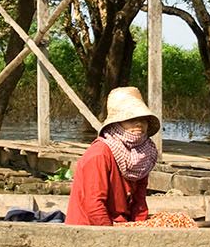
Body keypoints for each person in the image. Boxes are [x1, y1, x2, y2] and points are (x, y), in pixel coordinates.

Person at [67, 86, 159, 226]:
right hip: (90, 226)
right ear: (116, 124)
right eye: (131, 119)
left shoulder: (144, 155)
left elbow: (139, 201)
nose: (139, 124)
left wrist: (140, 226)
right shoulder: (99, 154)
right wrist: (113, 235)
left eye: (143, 120)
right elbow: (94, 205)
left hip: (121, 224)